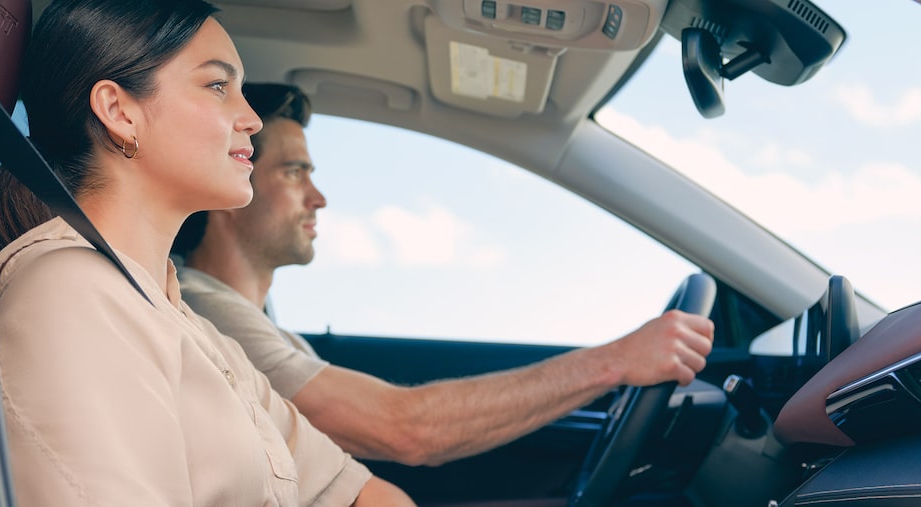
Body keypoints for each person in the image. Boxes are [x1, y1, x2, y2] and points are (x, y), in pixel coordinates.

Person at [0, 0, 412, 504]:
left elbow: (357, 491)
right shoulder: (73, 296)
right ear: (120, 112)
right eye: (218, 86)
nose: (250, 119)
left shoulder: (189, 325)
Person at [171, 83, 717, 467]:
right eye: (294, 172)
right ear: (230, 184)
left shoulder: (261, 329)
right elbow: (405, 429)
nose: (319, 197)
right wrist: (616, 361)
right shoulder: (205, 311)